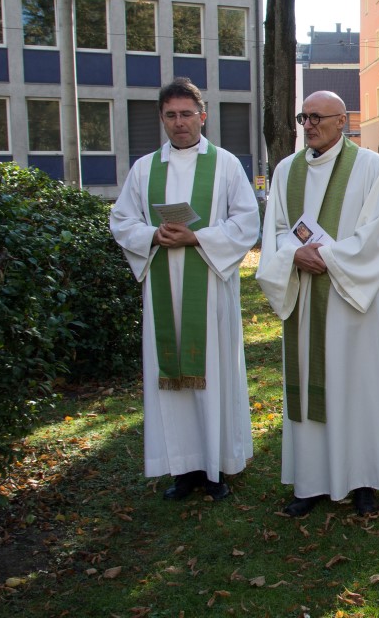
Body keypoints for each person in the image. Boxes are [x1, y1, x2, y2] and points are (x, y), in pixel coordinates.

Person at [256, 91, 379, 518]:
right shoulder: (286, 170)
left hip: (350, 301)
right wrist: (292, 256)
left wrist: (323, 257)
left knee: (357, 387)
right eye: (302, 116)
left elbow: (377, 235)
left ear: (342, 121)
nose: (308, 124)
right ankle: (310, 483)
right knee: (309, 387)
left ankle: (363, 481)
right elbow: (275, 234)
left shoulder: (372, 168)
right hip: (305, 298)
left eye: (317, 117)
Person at [109, 77, 259, 502]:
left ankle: (216, 469)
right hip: (162, 294)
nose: (179, 123)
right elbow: (122, 220)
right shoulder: (144, 169)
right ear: (162, 119)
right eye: (171, 115)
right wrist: (153, 236)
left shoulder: (226, 165)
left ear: (202, 116)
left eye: (187, 114)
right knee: (169, 382)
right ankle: (184, 469)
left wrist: (197, 238)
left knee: (212, 376)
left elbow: (247, 222)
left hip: (209, 290)